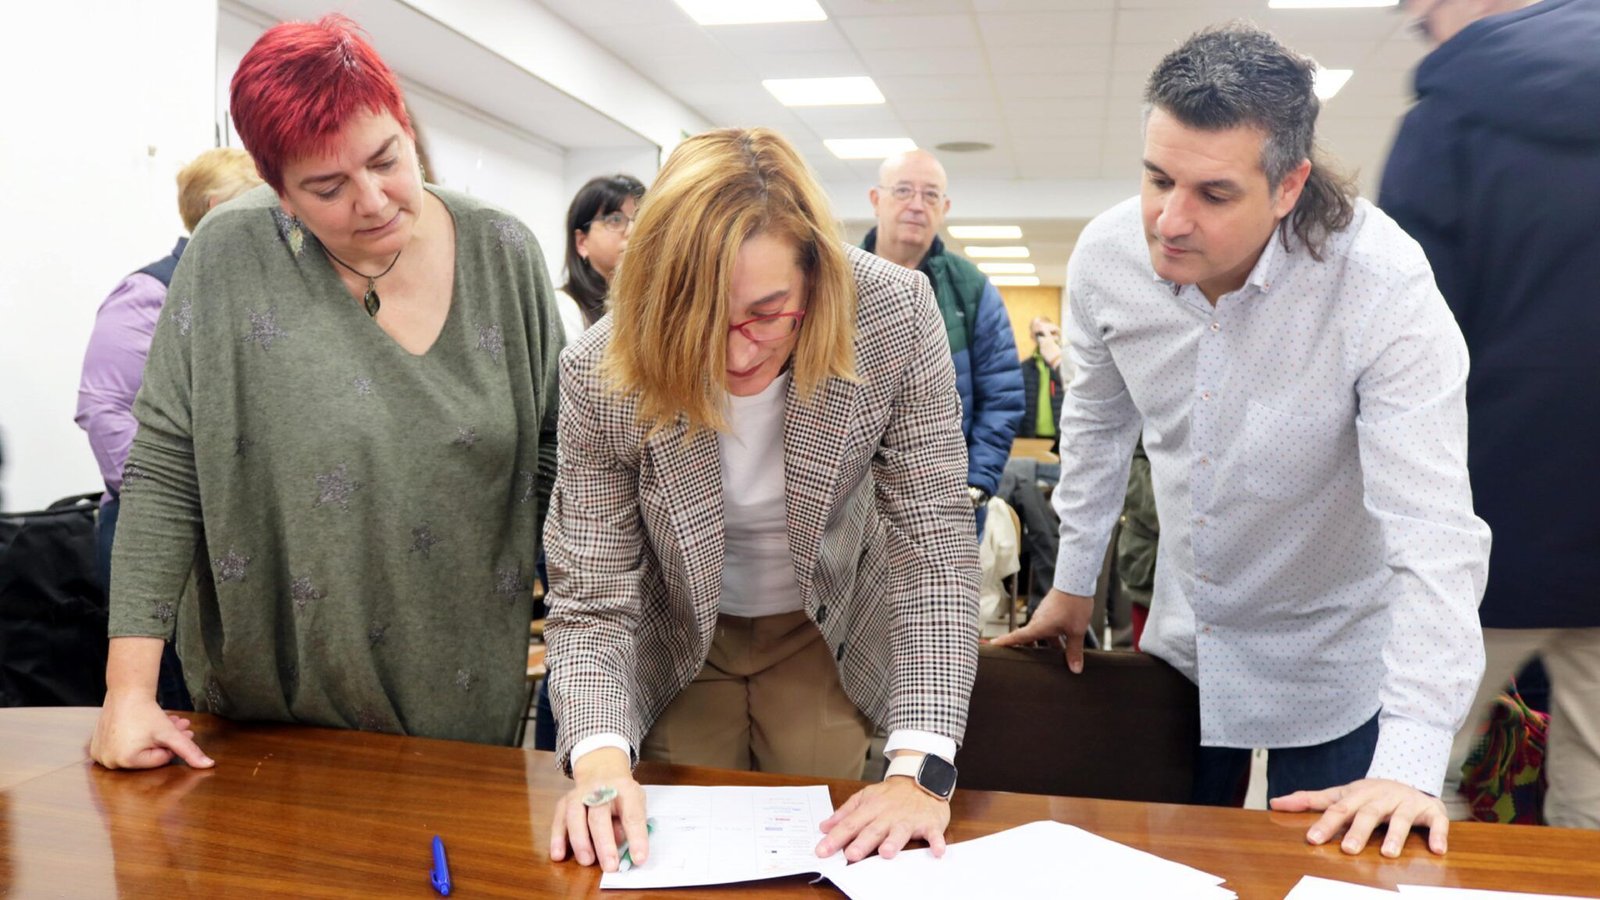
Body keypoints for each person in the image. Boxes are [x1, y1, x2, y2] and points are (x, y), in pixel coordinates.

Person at [995, 23, 1491, 858]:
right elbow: (1098, 426)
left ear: (1290, 184)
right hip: (1191, 640)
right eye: (1157, 179)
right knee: (1161, 861)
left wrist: (1409, 763)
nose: (1170, 220)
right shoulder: (1108, 258)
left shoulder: (1382, 285)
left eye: (1214, 194)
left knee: (1336, 869)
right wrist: (1073, 582)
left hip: (1337, 652)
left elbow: (1434, 531)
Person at [89, 14, 561, 771]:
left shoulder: (503, 254)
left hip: (464, 698)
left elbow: (556, 456)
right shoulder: (228, 257)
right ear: (279, 191)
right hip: (269, 709)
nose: (372, 201)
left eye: (387, 160)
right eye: (328, 186)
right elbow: (168, 469)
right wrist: (128, 692)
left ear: (406, 127)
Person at [544, 127, 979, 873]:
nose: (738, 354)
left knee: (830, 839)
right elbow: (593, 594)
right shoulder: (599, 368)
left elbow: (932, 544)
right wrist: (599, 761)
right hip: (682, 630)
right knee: (668, 845)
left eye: (768, 312)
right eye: (703, 323)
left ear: (815, 274)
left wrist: (920, 768)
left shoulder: (894, 314)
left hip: (824, 624)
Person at [1381, 0, 1600, 829]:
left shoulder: (1446, 123)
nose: (1423, 32)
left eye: (1421, 15)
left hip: (1480, 521)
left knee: (1412, 780)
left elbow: (1409, 335)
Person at [76, 147, 263, 711]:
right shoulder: (149, 292)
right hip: (158, 533)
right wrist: (167, 503)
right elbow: (103, 406)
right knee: (177, 700)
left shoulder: (245, 289)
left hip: (227, 536)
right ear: (215, 209)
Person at [861, 150, 1023, 529]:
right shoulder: (835, 282)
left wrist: (976, 485)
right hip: (850, 510)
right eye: (903, 191)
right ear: (875, 200)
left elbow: (1002, 398)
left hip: (943, 508)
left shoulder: (972, 289)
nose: (917, 205)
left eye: (930, 195)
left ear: (944, 206)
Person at [555, 174, 645, 340]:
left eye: (640, 219)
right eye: (615, 219)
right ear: (582, 242)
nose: (632, 231)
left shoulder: (647, 304)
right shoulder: (565, 309)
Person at [1016, 316, 1063, 446]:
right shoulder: (1024, 368)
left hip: (1062, 434)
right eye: (1039, 334)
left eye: (1052, 333)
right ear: (1032, 336)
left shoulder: (1067, 364)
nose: (1045, 338)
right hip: (1032, 436)